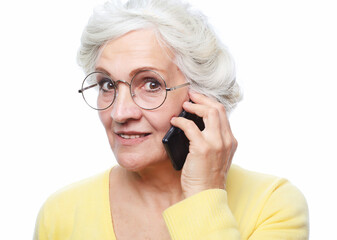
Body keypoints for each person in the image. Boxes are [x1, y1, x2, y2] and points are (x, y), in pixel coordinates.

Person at [33, 0, 309, 239]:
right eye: (107, 85)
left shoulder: (272, 204)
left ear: (201, 98)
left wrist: (204, 193)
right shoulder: (60, 213)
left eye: (151, 84)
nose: (120, 113)